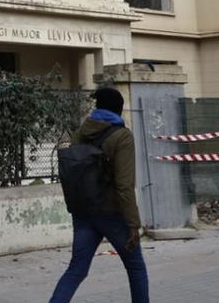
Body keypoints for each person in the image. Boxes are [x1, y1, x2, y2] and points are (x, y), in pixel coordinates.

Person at [49, 86, 149, 303]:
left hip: (83, 210)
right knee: (136, 267)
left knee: (77, 269)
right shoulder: (122, 137)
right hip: (112, 213)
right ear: (118, 110)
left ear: (98, 107)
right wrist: (133, 224)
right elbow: (124, 185)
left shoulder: (80, 133)